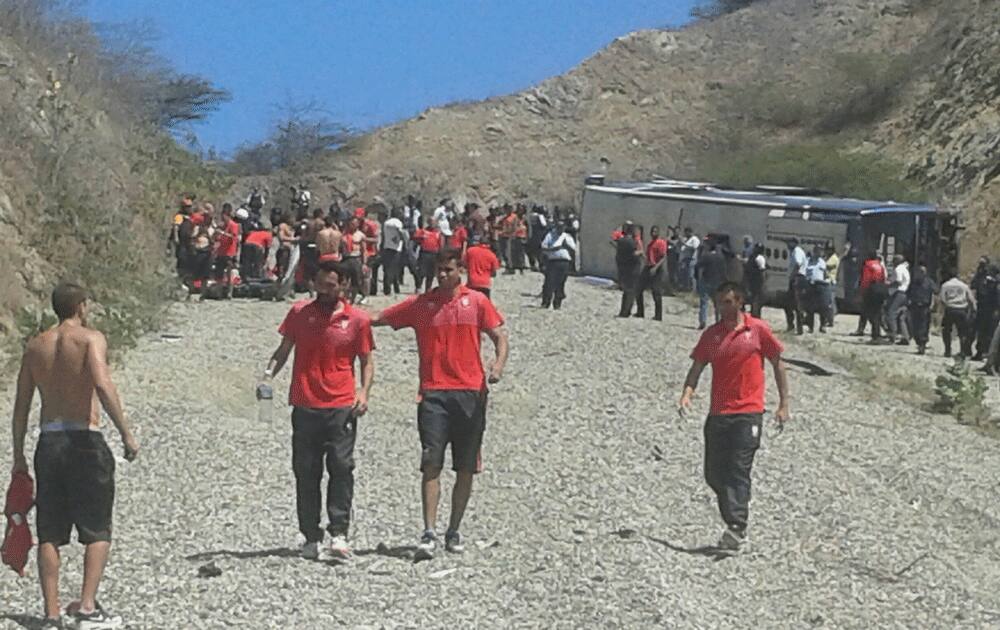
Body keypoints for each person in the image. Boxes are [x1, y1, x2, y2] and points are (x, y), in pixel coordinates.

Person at [11, 283, 139, 628]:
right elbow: (101, 382)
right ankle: (86, 606)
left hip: (49, 441)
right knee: (96, 527)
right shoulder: (89, 339)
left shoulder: (36, 346)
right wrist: (126, 431)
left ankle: (51, 613)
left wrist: (18, 455)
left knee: (50, 531)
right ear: (81, 306)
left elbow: (21, 406)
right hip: (84, 437)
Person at [371, 250, 509, 559]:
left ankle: (454, 529)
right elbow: (379, 318)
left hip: (471, 393)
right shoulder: (422, 305)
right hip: (433, 393)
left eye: (448, 270)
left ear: (461, 269)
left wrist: (497, 367)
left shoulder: (476, 302)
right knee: (431, 462)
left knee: (466, 466)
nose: (442, 275)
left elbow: (500, 336)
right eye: (438, 270)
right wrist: (342, 315)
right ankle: (429, 530)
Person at [263, 257, 375, 561]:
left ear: (344, 286)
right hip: (305, 403)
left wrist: (363, 393)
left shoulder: (358, 320)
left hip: (340, 406)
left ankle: (339, 533)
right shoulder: (300, 313)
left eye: (332, 285)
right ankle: (310, 535)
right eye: (320, 284)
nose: (325, 291)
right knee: (306, 471)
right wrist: (267, 375)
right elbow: (284, 350)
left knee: (341, 467)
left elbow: (366, 361)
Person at [678, 281, 789, 555]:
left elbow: (778, 363)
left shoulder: (758, 330)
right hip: (719, 413)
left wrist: (784, 403)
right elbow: (697, 368)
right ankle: (737, 505)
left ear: (740, 302)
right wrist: (687, 394)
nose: (723, 307)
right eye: (719, 302)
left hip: (748, 413)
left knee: (738, 468)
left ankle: (737, 527)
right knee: (714, 474)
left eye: (728, 302)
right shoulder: (712, 336)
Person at [940, 269, 976, 358]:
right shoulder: (964, 286)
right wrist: (973, 309)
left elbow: (942, 299)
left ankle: (947, 350)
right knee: (963, 332)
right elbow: (970, 299)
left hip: (950, 309)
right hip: (962, 310)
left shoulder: (945, 285)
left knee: (947, 330)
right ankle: (963, 351)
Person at [540, 221, 576, 309]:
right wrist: (555, 248)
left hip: (564, 262)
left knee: (561, 283)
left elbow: (573, 249)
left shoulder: (567, 237)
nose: (560, 229)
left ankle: (557, 303)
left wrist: (566, 246)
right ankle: (546, 302)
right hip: (552, 261)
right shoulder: (550, 235)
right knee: (549, 282)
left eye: (562, 227)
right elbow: (544, 247)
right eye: (559, 227)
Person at [852, 251, 886, 342]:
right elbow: (883, 278)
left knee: (870, 312)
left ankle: (875, 335)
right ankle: (877, 333)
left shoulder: (868, 265)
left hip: (871, 289)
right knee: (877, 312)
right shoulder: (880, 265)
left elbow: (866, 279)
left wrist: (862, 292)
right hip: (880, 288)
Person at [637, 226, 668, 321]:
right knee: (638, 289)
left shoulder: (661, 243)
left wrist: (655, 267)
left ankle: (658, 316)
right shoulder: (650, 244)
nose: (653, 233)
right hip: (648, 267)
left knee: (656, 292)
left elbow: (663, 257)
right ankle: (640, 312)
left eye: (655, 231)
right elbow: (649, 257)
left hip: (657, 269)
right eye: (652, 231)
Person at [694, 241, 727, 329]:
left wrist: (697, 277)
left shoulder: (706, 256)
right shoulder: (721, 257)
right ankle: (718, 322)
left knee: (704, 302)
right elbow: (724, 271)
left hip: (706, 280)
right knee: (717, 303)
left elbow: (697, 266)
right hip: (717, 282)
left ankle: (703, 321)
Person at [907, 264, 937, 355]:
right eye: (919, 272)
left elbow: (935, 293)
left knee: (924, 326)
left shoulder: (929, 282)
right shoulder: (914, 282)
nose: (920, 274)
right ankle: (919, 342)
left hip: (925, 306)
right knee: (915, 326)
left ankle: (922, 344)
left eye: (922, 272)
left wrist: (933, 304)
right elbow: (909, 292)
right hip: (915, 306)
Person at [615, 224, 643, 318]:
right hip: (632, 269)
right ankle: (626, 312)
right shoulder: (631, 242)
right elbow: (634, 254)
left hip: (623, 269)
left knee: (626, 291)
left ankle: (623, 310)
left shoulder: (621, 241)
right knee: (630, 291)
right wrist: (640, 252)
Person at [973, 264, 999, 360]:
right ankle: (980, 352)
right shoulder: (986, 281)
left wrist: (996, 310)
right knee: (982, 333)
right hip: (984, 311)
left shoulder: (996, 284)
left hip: (991, 312)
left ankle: (986, 353)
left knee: (989, 333)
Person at [412, 218, 443, 294]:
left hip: (434, 254)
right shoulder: (423, 231)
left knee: (431, 274)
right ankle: (418, 287)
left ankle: (428, 289)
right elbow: (415, 239)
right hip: (424, 254)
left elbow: (441, 245)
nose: (432, 223)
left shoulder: (438, 233)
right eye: (431, 222)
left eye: (434, 222)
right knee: (421, 272)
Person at [804, 246, 831, 333]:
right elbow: (804, 272)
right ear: (814, 251)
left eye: (821, 251)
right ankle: (810, 327)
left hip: (821, 285)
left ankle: (822, 326)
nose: (819, 253)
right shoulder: (808, 261)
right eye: (818, 251)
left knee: (823, 307)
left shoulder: (822, 262)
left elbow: (826, 274)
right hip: (810, 285)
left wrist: (827, 280)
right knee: (810, 308)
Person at [380, 209, 407, 295]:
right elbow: (400, 232)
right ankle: (387, 289)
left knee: (388, 268)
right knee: (392, 269)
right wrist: (403, 239)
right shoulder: (398, 222)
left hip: (387, 247)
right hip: (395, 248)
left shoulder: (386, 223)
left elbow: (383, 235)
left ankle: (395, 288)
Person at [784, 238, 808, 334]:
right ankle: (792, 326)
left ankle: (799, 327)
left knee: (797, 303)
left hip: (798, 278)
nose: (788, 245)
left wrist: (792, 276)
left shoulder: (797, 251)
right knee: (790, 303)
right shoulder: (794, 252)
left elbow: (798, 264)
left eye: (789, 242)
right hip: (796, 278)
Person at [886, 255, 911, 345]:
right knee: (901, 317)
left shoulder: (898, 269)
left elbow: (898, 282)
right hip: (904, 294)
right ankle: (906, 337)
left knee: (891, 313)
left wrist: (888, 284)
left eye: (894, 260)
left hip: (898, 293)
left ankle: (892, 336)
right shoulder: (905, 269)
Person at [743, 243, 767, 318]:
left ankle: (756, 316)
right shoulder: (754, 257)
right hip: (752, 281)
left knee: (756, 300)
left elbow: (762, 272)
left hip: (756, 282)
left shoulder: (759, 258)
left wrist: (762, 284)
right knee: (753, 299)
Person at [679, 227, 700, 292]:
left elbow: (694, 248)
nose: (685, 234)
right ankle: (686, 288)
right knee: (685, 275)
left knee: (691, 275)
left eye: (686, 232)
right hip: (685, 260)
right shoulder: (686, 239)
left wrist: (684, 244)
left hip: (692, 259)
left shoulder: (694, 239)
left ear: (690, 232)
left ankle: (693, 290)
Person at [824, 244, 840, 328]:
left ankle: (831, 320)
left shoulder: (833, 258)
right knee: (827, 301)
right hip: (827, 281)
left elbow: (827, 266)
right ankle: (829, 318)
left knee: (830, 301)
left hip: (831, 281)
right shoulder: (828, 257)